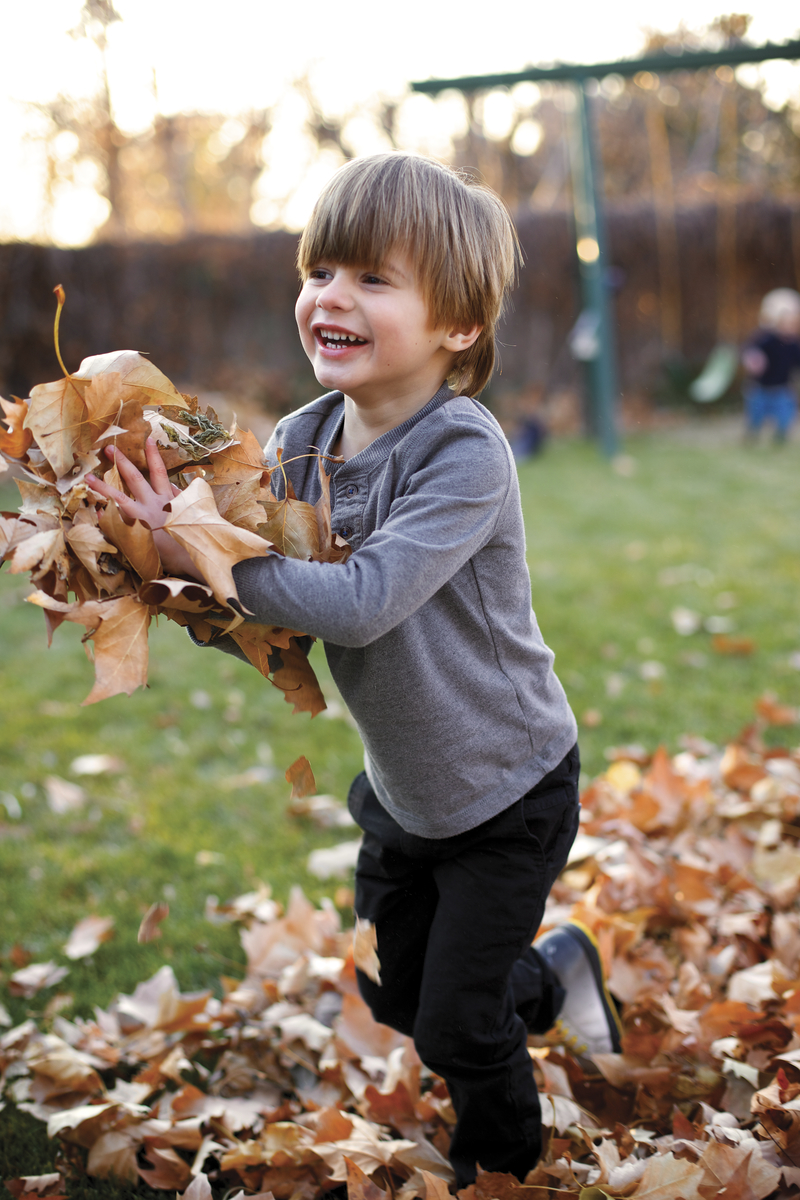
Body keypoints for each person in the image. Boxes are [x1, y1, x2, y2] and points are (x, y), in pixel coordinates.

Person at [86, 152, 621, 1186]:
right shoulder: (300, 439)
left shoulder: (461, 454)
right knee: (407, 1001)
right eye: (319, 269)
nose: (329, 295)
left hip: (508, 788)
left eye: (372, 278)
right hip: (406, 799)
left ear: (457, 326)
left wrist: (212, 551)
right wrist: (155, 563)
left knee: (460, 1033)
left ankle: (501, 1171)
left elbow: (362, 604)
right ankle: (555, 977)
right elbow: (268, 618)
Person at [741, 287, 800, 443]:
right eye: (785, 322)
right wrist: (753, 359)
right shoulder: (766, 340)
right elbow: (751, 350)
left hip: (782, 388)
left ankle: (780, 438)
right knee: (756, 417)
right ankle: (752, 436)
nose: (790, 326)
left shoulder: (794, 345)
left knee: (786, 416)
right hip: (760, 388)